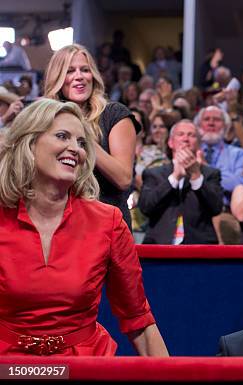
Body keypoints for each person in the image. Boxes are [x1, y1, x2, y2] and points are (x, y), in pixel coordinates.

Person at [0, 98, 167, 356]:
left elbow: (138, 319)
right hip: (10, 366)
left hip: (85, 364)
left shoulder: (108, 222)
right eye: (62, 136)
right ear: (29, 143)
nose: (75, 149)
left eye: (81, 142)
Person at [44, 44, 140, 230]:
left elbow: (123, 178)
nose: (79, 76)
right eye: (70, 71)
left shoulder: (114, 114)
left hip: (106, 225)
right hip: (59, 223)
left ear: (93, 76)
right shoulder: (46, 120)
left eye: (85, 70)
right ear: (58, 79)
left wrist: (82, 136)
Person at [139, 120, 223, 244]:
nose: (186, 139)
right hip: (160, 245)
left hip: (199, 246)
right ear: (170, 142)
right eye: (181, 134)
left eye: (191, 135)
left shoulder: (211, 174)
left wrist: (196, 176)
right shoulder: (153, 173)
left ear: (199, 144)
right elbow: (146, 207)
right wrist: (174, 177)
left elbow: (216, 208)